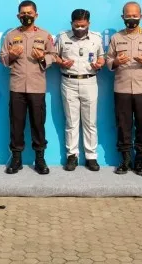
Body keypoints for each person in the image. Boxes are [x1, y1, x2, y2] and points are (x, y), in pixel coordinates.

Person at [0, 0, 56, 175]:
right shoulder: (10, 36)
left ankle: (40, 158)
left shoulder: (45, 36)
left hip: (37, 87)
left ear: (36, 15)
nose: (26, 16)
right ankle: (16, 159)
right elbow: (2, 57)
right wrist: (11, 56)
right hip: (17, 86)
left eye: (29, 13)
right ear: (18, 16)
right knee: (16, 124)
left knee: (38, 124)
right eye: (23, 13)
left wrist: (42, 58)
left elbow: (53, 56)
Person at [106, 1, 142, 176]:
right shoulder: (116, 38)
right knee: (123, 125)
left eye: (134, 16)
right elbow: (108, 61)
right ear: (123, 17)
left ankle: (139, 161)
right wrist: (115, 62)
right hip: (122, 88)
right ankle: (125, 160)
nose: (131, 19)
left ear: (141, 16)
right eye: (128, 16)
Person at [54, 9, 104, 172]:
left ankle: (91, 157)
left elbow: (101, 56)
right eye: (77, 26)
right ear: (72, 24)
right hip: (69, 81)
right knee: (71, 122)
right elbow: (54, 56)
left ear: (89, 23)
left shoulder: (96, 38)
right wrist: (61, 62)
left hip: (89, 81)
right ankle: (72, 156)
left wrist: (100, 63)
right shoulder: (63, 37)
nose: (80, 29)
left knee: (90, 122)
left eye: (83, 26)